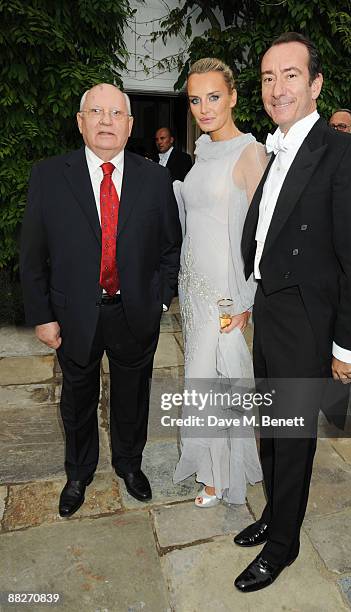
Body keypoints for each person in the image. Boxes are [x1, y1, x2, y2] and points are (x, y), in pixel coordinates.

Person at [235, 32, 351, 592]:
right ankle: (276, 513)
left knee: (293, 434)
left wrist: (347, 349)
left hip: (307, 316)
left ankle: (284, 544)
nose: (278, 87)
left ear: (315, 83)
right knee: (270, 427)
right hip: (271, 308)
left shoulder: (342, 151)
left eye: (290, 75)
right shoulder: (275, 147)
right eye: (269, 77)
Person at [20, 84, 181, 518]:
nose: (106, 120)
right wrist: (43, 316)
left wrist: (160, 300)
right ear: (81, 121)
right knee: (77, 398)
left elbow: (170, 248)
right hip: (74, 316)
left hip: (135, 314)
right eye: (96, 111)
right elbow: (32, 255)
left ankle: (130, 466)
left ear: (130, 126)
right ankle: (79, 473)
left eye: (116, 113)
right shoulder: (50, 176)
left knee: (133, 397)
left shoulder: (155, 178)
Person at [172, 58, 267, 506]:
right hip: (193, 289)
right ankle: (213, 466)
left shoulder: (250, 151)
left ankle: (219, 474)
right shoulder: (203, 152)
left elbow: (261, 233)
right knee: (200, 376)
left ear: (232, 96)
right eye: (195, 99)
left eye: (214, 97)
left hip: (224, 293)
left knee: (220, 381)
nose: (204, 108)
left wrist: (246, 300)